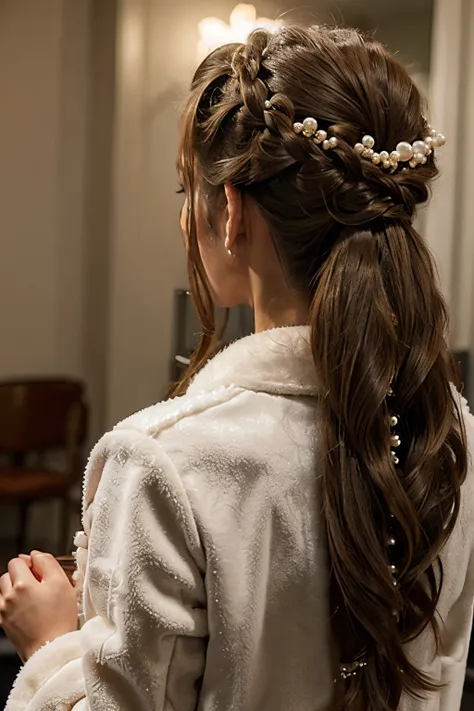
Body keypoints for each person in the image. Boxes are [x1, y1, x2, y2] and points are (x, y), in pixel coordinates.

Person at [0, 24, 473, 711]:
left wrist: (49, 645)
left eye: (187, 187)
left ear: (230, 212)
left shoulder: (165, 466)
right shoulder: (449, 432)